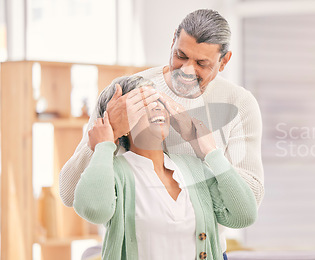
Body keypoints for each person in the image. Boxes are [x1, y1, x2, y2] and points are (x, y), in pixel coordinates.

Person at [59, 9, 264, 254]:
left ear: (224, 61)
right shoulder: (128, 93)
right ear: (172, 42)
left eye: (201, 63)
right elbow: (71, 194)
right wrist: (110, 133)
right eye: (180, 55)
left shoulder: (239, 104)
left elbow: (247, 203)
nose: (187, 70)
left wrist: (208, 149)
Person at [73, 76, 257, 259]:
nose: (157, 106)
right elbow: (94, 210)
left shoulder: (193, 168)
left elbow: (244, 215)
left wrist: (211, 152)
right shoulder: (115, 172)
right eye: (143, 103)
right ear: (123, 123)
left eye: (158, 100)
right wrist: (104, 145)